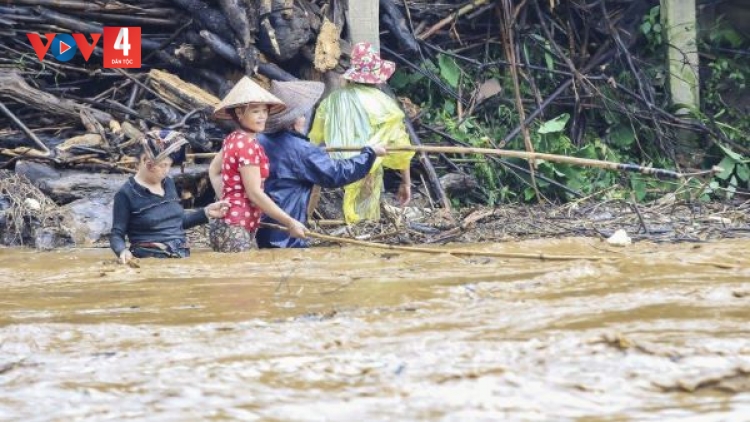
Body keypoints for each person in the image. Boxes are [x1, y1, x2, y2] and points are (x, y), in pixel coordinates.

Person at [255, 80, 387, 248]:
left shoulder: (258, 140)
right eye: (302, 115)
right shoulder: (301, 150)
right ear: (294, 121)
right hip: (286, 234)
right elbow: (337, 173)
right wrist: (370, 154)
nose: (304, 119)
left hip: (261, 228)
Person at [309, 41, 415, 224]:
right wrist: (406, 182)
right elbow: (400, 147)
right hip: (367, 172)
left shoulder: (332, 101)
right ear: (378, 78)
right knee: (363, 225)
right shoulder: (384, 104)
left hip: (333, 174)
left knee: (336, 228)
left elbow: (315, 140)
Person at [208, 76, 307, 252]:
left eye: (264, 111)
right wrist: (290, 222)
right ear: (239, 113)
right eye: (255, 112)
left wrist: (227, 200)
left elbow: (214, 171)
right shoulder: (247, 145)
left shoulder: (233, 139)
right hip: (237, 229)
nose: (262, 116)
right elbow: (254, 193)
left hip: (227, 224)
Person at [110, 129, 230, 264]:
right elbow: (117, 234)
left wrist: (206, 213)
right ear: (146, 161)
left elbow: (176, 222)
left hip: (179, 253)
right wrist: (122, 251)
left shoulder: (169, 183)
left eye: (169, 165)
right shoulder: (126, 194)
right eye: (163, 165)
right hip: (150, 257)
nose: (167, 171)